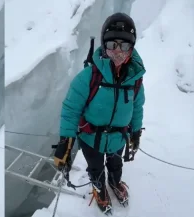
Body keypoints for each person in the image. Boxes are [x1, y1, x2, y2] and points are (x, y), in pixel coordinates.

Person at [53, 12, 145, 213]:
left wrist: (135, 132)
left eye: (124, 46)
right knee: (95, 167)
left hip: (118, 139)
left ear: (132, 48)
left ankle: (114, 182)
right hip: (90, 138)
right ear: (104, 45)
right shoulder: (89, 77)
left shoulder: (135, 80)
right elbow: (71, 110)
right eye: (113, 45)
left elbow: (137, 108)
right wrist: (65, 142)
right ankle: (99, 187)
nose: (118, 52)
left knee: (115, 163)